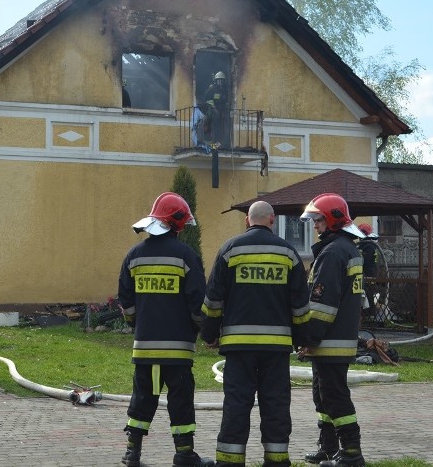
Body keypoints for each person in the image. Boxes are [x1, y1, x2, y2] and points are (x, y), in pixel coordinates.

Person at [201, 201, 310, 467]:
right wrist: (303, 340)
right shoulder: (288, 253)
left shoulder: (230, 249)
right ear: (272, 220)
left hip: (239, 347)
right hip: (276, 348)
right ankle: (276, 459)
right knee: (276, 404)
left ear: (247, 221)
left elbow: (214, 299)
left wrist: (209, 333)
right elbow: (300, 304)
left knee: (237, 404)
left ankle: (229, 460)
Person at [117, 192, 213, 467]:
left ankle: (132, 452)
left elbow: (126, 299)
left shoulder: (133, 256)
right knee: (180, 401)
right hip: (178, 349)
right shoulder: (186, 256)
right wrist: (202, 330)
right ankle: (184, 455)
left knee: (142, 399)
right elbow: (198, 303)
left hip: (144, 346)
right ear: (179, 223)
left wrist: (137, 325)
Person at [298, 193, 367, 467]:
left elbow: (323, 304)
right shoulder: (346, 249)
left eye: (318, 220)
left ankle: (351, 452)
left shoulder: (334, 252)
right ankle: (328, 448)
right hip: (334, 339)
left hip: (329, 340)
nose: (315, 225)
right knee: (322, 394)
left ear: (332, 220)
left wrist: (309, 338)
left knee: (334, 396)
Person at [356, 223, 379, 320]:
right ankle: (368, 314)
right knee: (368, 294)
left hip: (368, 274)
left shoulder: (368, 246)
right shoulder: (371, 245)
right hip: (370, 273)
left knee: (368, 295)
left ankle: (369, 315)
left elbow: (363, 261)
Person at [200, 71, 230, 145]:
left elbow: (225, 100)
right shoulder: (212, 89)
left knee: (221, 124)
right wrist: (213, 107)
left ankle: (220, 141)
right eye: (219, 80)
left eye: (222, 80)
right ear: (216, 81)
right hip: (210, 110)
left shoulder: (223, 91)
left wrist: (226, 106)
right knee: (210, 122)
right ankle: (208, 139)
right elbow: (207, 98)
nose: (220, 82)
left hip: (220, 110)